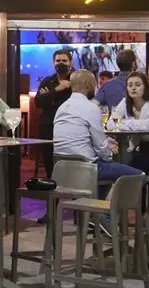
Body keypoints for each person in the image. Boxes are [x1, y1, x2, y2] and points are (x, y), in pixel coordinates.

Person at [53, 69, 142, 234]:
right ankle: (105, 217)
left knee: (105, 171)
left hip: (62, 171)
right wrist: (109, 151)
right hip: (86, 169)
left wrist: (104, 143)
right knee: (137, 175)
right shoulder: (90, 108)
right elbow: (101, 148)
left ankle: (95, 216)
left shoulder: (62, 108)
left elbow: (79, 137)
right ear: (89, 85)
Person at [36, 48, 74, 178]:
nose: (61, 63)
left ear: (71, 62)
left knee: (69, 162)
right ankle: (52, 186)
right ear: (53, 63)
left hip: (70, 125)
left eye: (64, 60)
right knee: (49, 161)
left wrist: (50, 100)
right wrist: (57, 90)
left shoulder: (76, 79)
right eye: (58, 61)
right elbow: (38, 101)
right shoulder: (47, 81)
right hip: (49, 126)